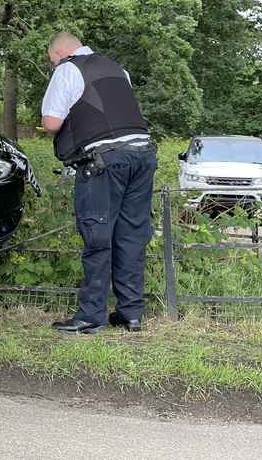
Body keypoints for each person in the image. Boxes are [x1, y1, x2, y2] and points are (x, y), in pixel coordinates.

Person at [41, 32, 157, 334]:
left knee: (97, 235)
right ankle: (131, 314)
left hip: (105, 161)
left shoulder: (68, 68)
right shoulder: (119, 69)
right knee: (131, 236)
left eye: (51, 60)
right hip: (143, 155)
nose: (53, 66)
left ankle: (91, 316)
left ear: (60, 52)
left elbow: (51, 122)